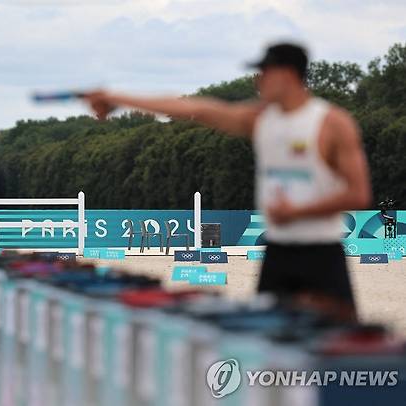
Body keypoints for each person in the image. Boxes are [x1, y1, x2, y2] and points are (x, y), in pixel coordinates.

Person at [83, 43, 372, 322]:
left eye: (264, 72)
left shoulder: (332, 123)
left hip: (321, 254)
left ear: (287, 75)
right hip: (277, 252)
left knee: (341, 352)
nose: (257, 79)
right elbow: (195, 108)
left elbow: (359, 195)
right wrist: (118, 99)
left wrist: (296, 213)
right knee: (269, 354)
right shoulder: (260, 119)